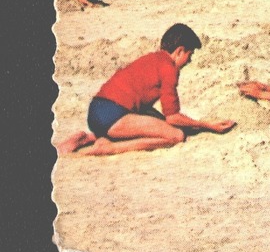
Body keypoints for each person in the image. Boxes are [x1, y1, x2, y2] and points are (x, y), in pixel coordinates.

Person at [56, 23, 236, 156]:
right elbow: (173, 117)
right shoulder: (169, 69)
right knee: (175, 135)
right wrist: (207, 125)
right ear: (180, 51)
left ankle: (88, 138)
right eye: (190, 55)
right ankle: (108, 148)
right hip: (114, 115)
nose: (190, 61)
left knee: (158, 122)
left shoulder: (152, 58)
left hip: (97, 110)